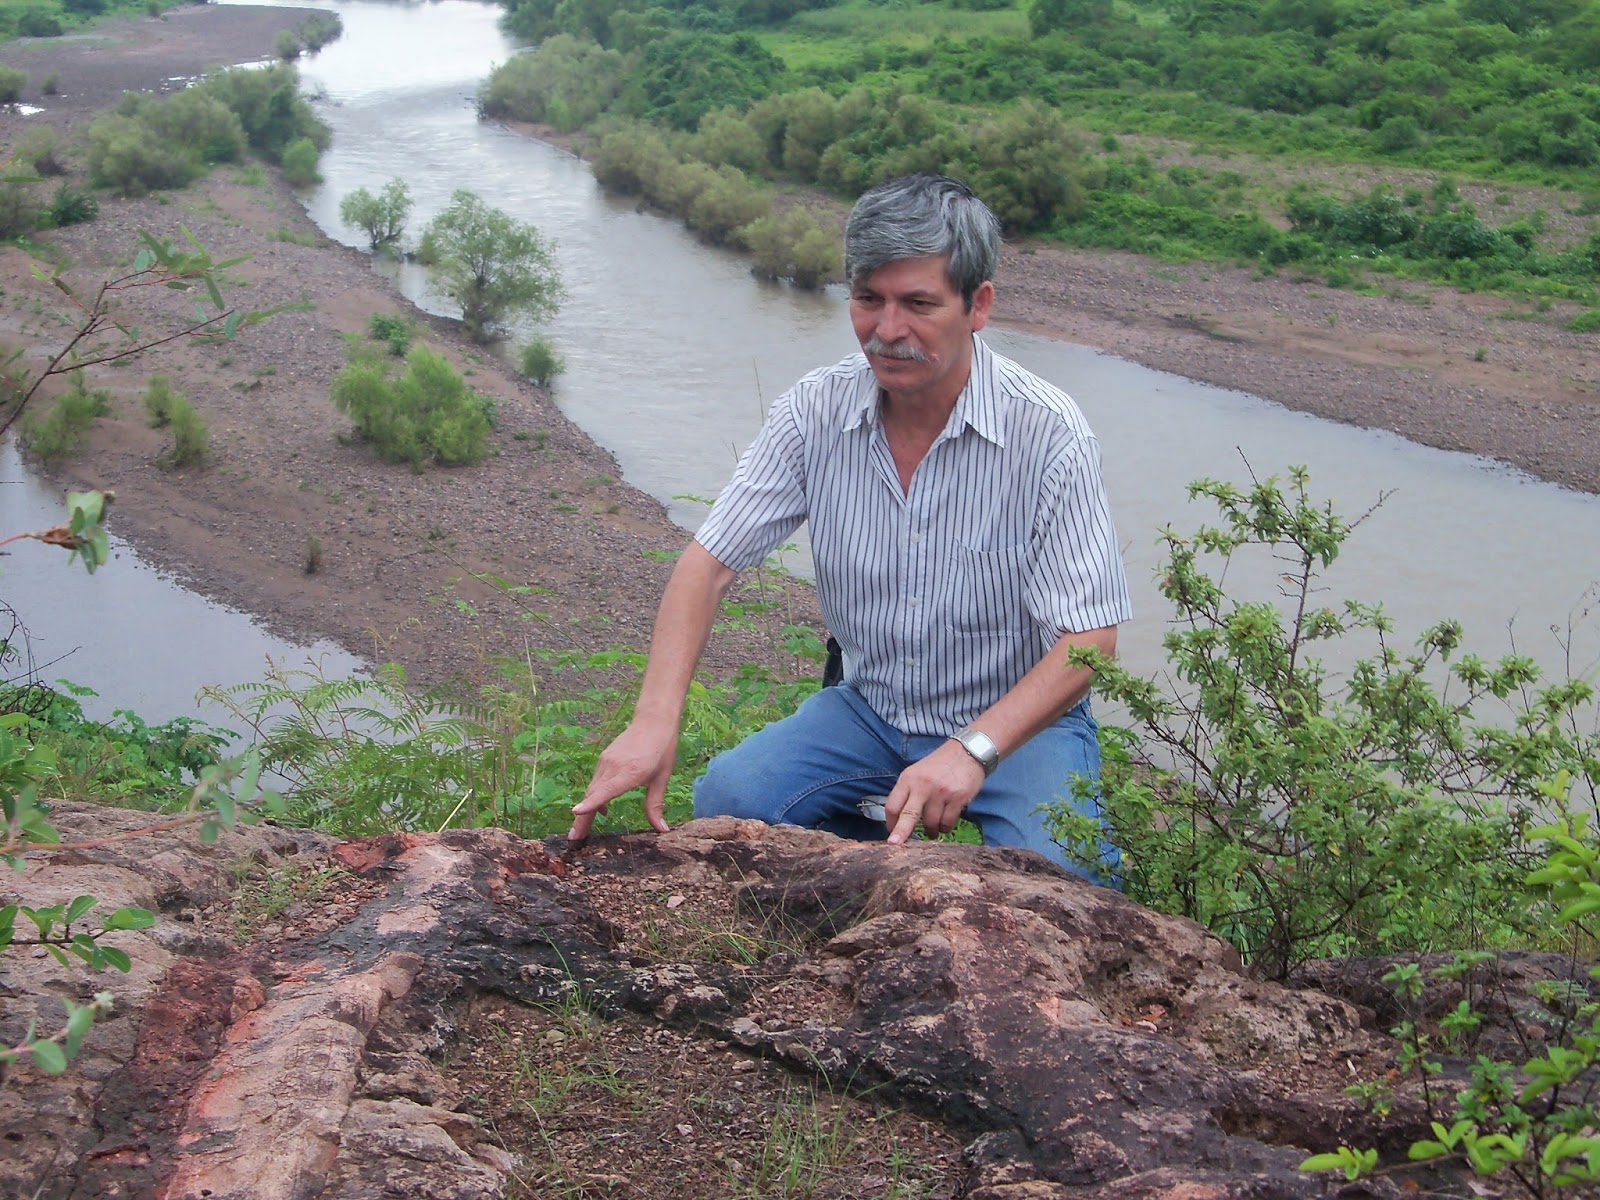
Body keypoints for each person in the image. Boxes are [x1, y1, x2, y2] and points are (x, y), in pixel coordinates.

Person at [570, 174, 1132, 881]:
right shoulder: (815, 412)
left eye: (919, 304)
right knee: (731, 801)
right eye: (868, 299)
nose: (887, 331)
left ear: (978, 304)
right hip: (870, 711)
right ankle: (865, 874)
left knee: (1071, 875)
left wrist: (972, 749)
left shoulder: (1048, 432)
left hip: (1019, 729)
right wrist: (654, 720)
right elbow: (707, 565)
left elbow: (1091, 639)